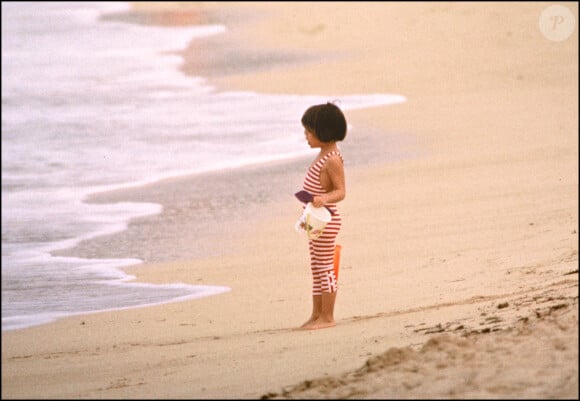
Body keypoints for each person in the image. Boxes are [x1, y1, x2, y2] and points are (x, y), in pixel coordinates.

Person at [297, 102, 347, 330]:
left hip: (326, 221)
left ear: (323, 132)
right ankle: (316, 314)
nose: (306, 136)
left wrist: (323, 199)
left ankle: (328, 316)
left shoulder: (333, 159)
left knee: (326, 266)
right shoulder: (322, 155)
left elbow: (340, 191)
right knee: (316, 266)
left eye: (309, 131)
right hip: (314, 220)